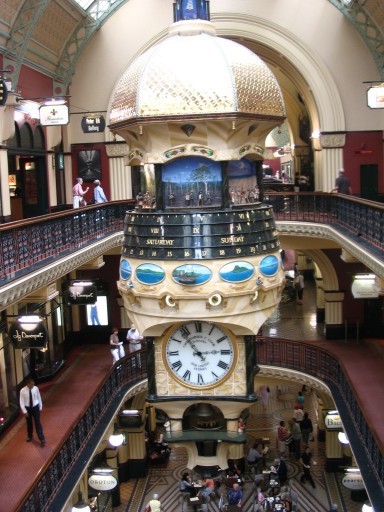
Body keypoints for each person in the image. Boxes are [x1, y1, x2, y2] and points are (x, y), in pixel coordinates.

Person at [19, 378, 46, 446]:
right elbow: (21, 402)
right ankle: (30, 436)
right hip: (28, 408)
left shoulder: (35, 388)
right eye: (31, 385)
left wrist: (40, 406)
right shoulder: (22, 391)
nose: (32, 386)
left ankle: (42, 438)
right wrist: (25, 411)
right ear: (27, 384)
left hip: (35, 407)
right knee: (29, 423)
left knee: (37, 422)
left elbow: (38, 397)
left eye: (33, 384)